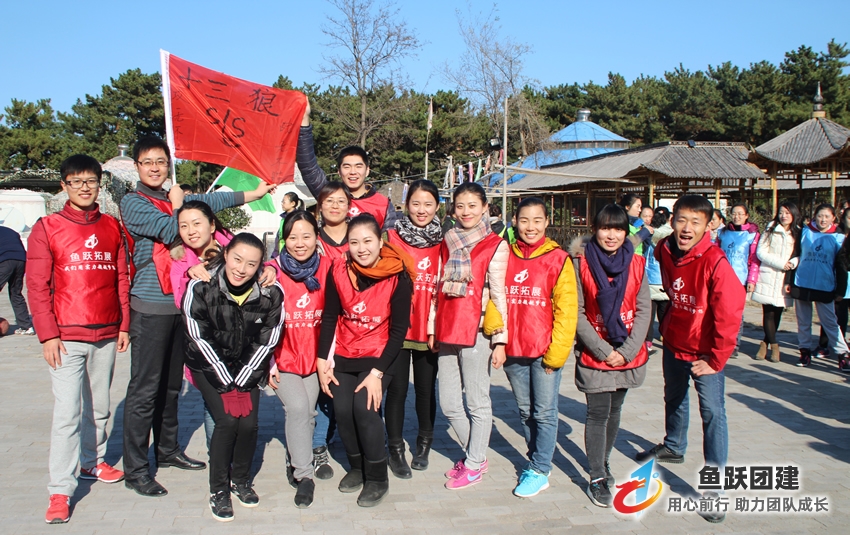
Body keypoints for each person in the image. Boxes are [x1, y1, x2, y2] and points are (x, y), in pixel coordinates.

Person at [120, 136, 274, 497]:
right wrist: (178, 205)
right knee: (145, 389)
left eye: (161, 161)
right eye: (148, 162)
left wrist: (254, 193)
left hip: (187, 309)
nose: (155, 168)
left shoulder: (180, 199)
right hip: (154, 304)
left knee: (173, 386)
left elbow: (212, 203)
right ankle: (136, 468)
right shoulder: (134, 202)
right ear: (138, 167)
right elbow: (172, 228)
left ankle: (168, 449)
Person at [26, 155, 130, 524]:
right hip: (65, 337)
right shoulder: (47, 227)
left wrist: (124, 324)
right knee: (68, 414)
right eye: (76, 181)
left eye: (91, 180)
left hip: (106, 332)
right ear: (64, 186)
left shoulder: (112, 227)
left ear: (100, 184)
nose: (85, 187)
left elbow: (121, 277)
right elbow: (36, 286)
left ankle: (93, 462)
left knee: (100, 405)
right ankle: (59, 490)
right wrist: (47, 335)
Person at [636, 195, 745, 525]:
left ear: (709, 225)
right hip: (675, 341)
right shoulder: (666, 249)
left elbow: (730, 314)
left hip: (705, 352)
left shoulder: (716, 262)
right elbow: (641, 245)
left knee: (712, 413)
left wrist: (715, 359)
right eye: (681, 220)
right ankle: (673, 445)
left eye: (695, 222)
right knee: (674, 396)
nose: (686, 228)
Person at [183, 233, 284, 522]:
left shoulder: (271, 293)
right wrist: (227, 383)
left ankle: (240, 480)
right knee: (227, 421)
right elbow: (198, 338)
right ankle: (218, 489)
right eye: (237, 259)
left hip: (246, 368)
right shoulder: (201, 287)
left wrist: (243, 380)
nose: (241, 269)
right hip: (208, 366)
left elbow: (267, 341)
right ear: (226, 254)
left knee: (250, 423)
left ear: (260, 266)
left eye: (251, 264)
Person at [317, 214, 413, 507]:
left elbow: (399, 331)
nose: (361, 248)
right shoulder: (338, 269)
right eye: (354, 242)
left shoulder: (398, 274)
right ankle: (357, 468)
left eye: (367, 241)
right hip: (347, 350)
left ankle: (377, 478)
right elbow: (330, 315)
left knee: (365, 408)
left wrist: (377, 373)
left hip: (382, 354)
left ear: (380, 241)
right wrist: (323, 360)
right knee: (342, 409)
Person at [571, 204, 650, 508]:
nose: (612, 235)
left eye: (618, 228)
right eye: (605, 228)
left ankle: (603, 464)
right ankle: (596, 476)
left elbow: (644, 309)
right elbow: (577, 312)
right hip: (596, 351)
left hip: (628, 350)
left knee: (615, 411)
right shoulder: (579, 264)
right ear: (595, 229)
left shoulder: (638, 264)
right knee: (598, 411)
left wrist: (627, 351)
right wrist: (604, 351)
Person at [499, 197, 577, 497]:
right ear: (514, 222)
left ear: (546, 222)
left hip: (544, 352)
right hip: (513, 350)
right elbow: (496, 298)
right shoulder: (505, 255)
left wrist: (556, 354)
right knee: (524, 411)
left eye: (536, 220)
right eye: (524, 220)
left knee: (544, 412)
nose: (530, 227)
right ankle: (536, 460)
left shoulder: (558, 259)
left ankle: (540, 469)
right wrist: (498, 338)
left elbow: (567, 312)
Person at [434, 182, 509, 490]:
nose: (466, 212)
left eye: (472, 206)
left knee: (477, 402)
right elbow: (438, 291)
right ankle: (475, 454)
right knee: (450, 403)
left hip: (477, 330)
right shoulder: (448, 241)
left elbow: (500, 294)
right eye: (460, 206)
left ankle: (475, 464)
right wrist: (431, 328)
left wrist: (500, 339)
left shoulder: (495, 244)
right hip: (447, 327)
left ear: (485, 209)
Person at [268, 210, 332, 508]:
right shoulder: (273, 270)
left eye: (306, 236)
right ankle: (304, 476)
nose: (299, 243)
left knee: (308, 414)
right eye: (292, 237)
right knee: (297, 408)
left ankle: (296, 456)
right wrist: (266, 361)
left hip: (315, 359)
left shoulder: (329, 268)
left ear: (316, 237)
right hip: (283, 358)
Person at [383, 179, 443, 478]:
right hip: (396, 326)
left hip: (428, 327)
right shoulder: (391, 238)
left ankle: (424, 442)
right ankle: (394, 448)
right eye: (416, 203)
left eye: (428, 204)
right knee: (395, 391)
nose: (422, 210)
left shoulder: (446, 241)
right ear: (406, 205)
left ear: (437, 207)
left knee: (424, 390)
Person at [297, 101, 397, 230]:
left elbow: (390, 243)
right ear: (339, 171)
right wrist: (305, 120)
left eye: (358, 166)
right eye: (347, 166)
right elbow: (308, 166)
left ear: (367, 171)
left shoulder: (384, 204)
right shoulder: (329, 194)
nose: (353, 172)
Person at [787, 203, 850, 369]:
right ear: (814, 216)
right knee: (803, 321)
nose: (823, 219)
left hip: (825, 284)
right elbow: (795, 254)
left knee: (830, 322)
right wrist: (789, 281)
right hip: (803, 282)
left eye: (827, 216)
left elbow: (841, 266)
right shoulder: (804, 231)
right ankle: (804, 352)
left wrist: (841, 290)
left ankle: (842, 354)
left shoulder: (839, 237)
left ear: (833, 218)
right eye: (820, 216)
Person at [752, 203, 801, 363]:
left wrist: (792, 263)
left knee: (778, 312)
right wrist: (780, 263)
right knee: (768, 312)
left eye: (787, 213)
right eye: (781, 213)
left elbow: (801, 252)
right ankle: (774, 345)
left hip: (785, 277)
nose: (783, 216)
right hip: (769, 274)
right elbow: (760, 252)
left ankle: (764, 343)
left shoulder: (798, 231)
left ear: (793, 214)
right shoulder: (770, 229)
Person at [715, 203, 760, 358]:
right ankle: (722, 342)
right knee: (721, 312)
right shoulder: (723, 233)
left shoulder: (751, 235)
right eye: (734, 213)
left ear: (746, 215)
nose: (737, 217)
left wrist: (751, 280)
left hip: (740, 278)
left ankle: (734, 344)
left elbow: (754, 259)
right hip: (722, 277)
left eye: (740, 214)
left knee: (736, 314)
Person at [644, 207, 673, 353]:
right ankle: (667, 339)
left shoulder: (646, 234)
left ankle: (647, 341)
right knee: (665, 314)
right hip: (664, 280)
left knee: (648, 315)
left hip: (648, 279)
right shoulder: (671, 236)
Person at [0, 225, 34, 335]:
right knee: (16, 293)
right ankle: (26, 327)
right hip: (21, 260)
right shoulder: (11, 231)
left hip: (5, 260)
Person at [271, 192, 306, 258]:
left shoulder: (297, 218)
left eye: (284, 202)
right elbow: (279, 237)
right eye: (282, 202)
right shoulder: (283, 218)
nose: (282, 204)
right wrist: (275, 253)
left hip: (292, 255)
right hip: (281, 254)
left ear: (293, 203)